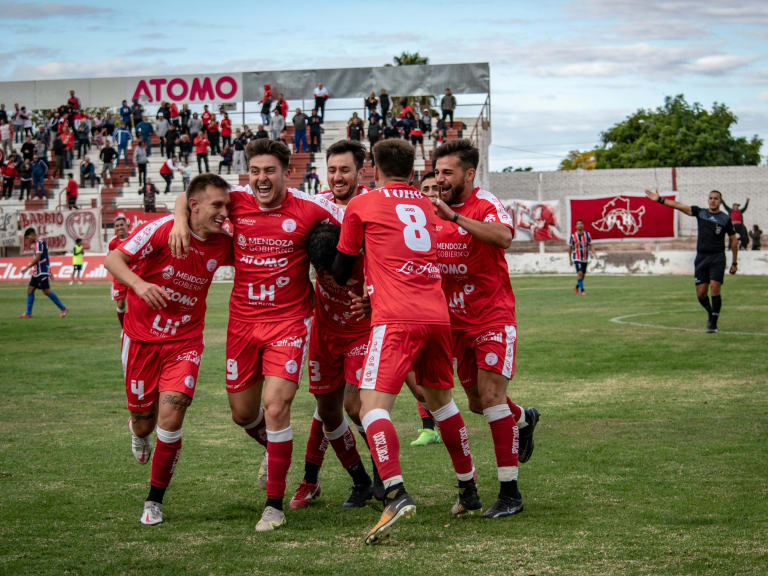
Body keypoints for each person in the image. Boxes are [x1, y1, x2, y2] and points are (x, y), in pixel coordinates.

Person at [169, 139, 344, 533]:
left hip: (290, 321)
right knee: (244, 414)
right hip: (243, 324)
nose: (261, 178)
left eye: (270, 171)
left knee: (277, 406)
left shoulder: (312, 208)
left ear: (287, 172)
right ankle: (273, 445)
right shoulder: (237, 201)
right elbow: (189, 196)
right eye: (255, 171)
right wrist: (180, 220)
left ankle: (274, 505)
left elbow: (354, 227)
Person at [332, 139, 480, 545]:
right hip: (437, 316)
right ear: (414, 171)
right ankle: (468, 490)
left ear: (373, 171)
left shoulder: (362, 205)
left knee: (371, 405)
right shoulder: (426, 203)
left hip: (395, 318)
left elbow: (342, 269)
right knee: (442, 403)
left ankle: (394, 493)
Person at [104, 174, 234, 526]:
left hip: (185, 342)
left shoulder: (224, 242)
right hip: (141, 341)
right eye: (217, 206)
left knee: (172, 417)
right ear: (194, 206)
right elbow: (114, 260)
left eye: (227, 206)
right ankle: (136, 430)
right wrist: (140, 284)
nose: (225, 213)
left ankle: (154, 500)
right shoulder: (163, 230)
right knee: (145, 423)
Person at [432, 139, 540, 517]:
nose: (441, 178)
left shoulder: (484, 204)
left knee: (491, 398)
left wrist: (456, 218)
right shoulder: (432, 212)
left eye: (448, 172)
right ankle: (524, 419)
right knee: (478, 403)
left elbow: (505, 237)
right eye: (438, 171)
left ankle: (510, 493)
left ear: (469, 173)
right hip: (454, 326)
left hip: (492, 318)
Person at [289, 140, 376, 510]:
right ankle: (359, 481)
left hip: (362, 325)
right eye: (332, 170)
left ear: (362, 171)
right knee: (326, 412)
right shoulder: (316, 206)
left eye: (345, 169)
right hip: (324, 326)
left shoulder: (375, 206)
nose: (338, 177)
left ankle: (386, 476)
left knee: (357, 407)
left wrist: (375, 296)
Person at [645, 188, 738, 333]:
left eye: (716, 198)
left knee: (714, 287)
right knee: (701, 294)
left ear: (720, 201)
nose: (713, 200)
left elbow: (733, 240)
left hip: (717, 257)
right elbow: (679, 206)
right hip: (701, 258)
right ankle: (710, 311)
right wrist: (660, 200)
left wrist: (734, 262)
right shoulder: (700, 212)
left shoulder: (725, 218)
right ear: (708, 200)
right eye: (711, 198)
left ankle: (713, 323)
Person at [408, 172, 441, 447]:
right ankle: (429, 427)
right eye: (425, 188)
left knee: (476, 389)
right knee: (419, 373)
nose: (430, 192)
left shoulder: (451, 221)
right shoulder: (413, 223)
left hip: (455, 310)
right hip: (425, 308)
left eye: (434, 188)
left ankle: (515, 415)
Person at [18, 227, 68, 319]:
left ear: (32, 235)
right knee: (30, 290)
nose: (28, 241)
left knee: (46, 291)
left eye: (28, 238)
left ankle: (63, 308)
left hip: (41, 272)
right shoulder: (38, 243)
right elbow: (46, 258)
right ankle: (28, 313)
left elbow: (38, 258)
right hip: (37, 272)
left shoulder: (39, 243)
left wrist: (26, 268)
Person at [109, 215, 130, 326]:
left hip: (133, 276)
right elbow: (110, 261)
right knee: (121, 304)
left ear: (126, 225)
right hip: (120, 278)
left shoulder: (134, 237)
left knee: (135, 305)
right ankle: (124, 328)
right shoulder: (112, 243)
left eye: (121, 225)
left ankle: (136, 328)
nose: (119, 227)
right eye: (117, 226)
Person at [568, 219, 597, 295]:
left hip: (585, 257)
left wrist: (594, 253)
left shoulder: (587, 235)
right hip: (577, 257)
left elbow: (591, 245)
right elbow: (570, 248)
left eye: (581, 224)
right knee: (580, 273)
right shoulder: (573, 236)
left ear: (583, 225)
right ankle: (583, 290)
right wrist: (570, 259)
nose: (579, 225)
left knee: (583, 276)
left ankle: (577, 286)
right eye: (578, 224)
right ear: (575, 226)